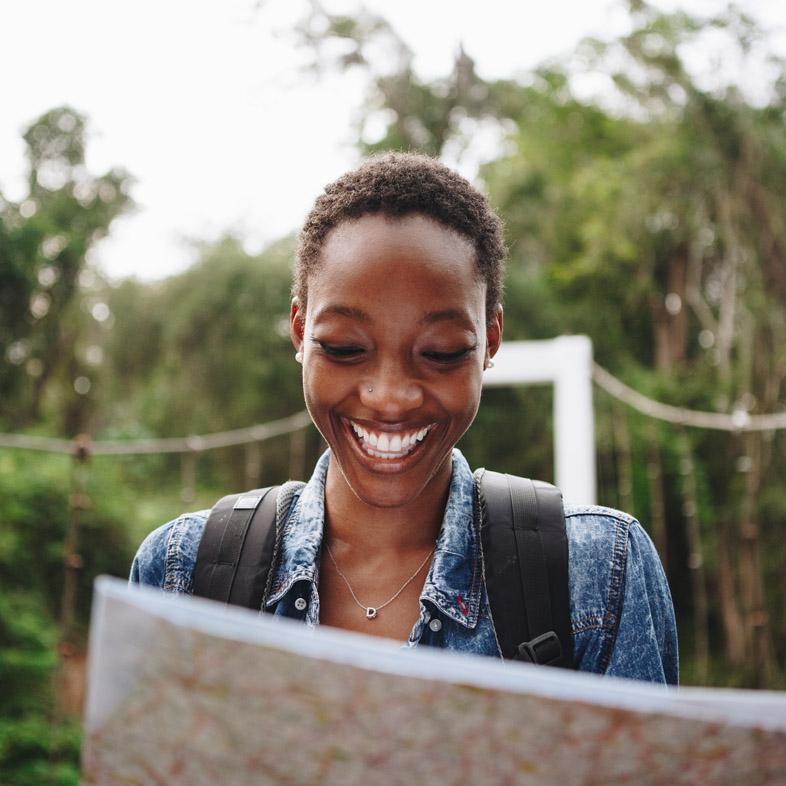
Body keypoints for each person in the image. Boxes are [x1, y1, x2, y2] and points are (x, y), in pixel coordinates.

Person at [130, 152, 678, 684]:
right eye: (345, 348)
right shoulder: (179, 575)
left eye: (439, 352)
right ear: (300, 331)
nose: (390, 398)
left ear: (490, 340)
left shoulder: (600, 575)